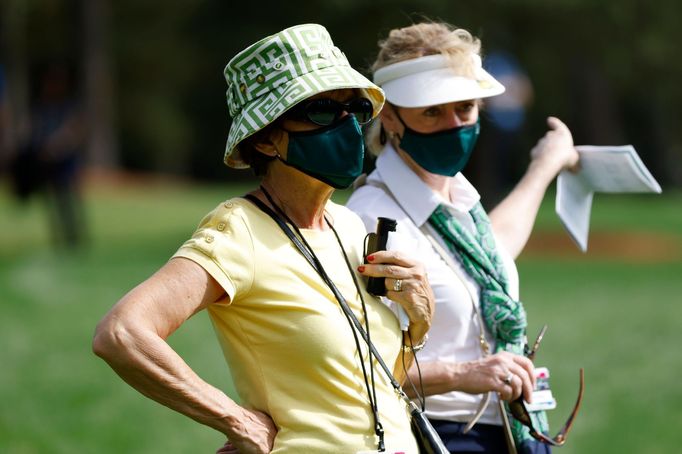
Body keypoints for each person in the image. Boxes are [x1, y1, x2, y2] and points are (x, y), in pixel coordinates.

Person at [93, 24, 434, 454]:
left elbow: (366, 389)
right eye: (324, 109)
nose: (347, 124)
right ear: (268, 139)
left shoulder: (348, 226)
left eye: (356, 108)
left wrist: (418, 327)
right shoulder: (239, 230)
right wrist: (232, 418)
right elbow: (121, 333)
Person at [347, 22, 579, 453]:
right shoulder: (371, 221)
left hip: (512, 430)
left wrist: (546, 165)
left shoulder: (457, 197)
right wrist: (464, 373)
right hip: (436, 435)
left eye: (466, 107)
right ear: (391, 116)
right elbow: (358, 364)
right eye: (432, 111)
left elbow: (492, 252)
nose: (454, 124)